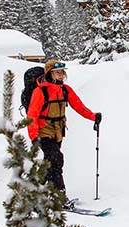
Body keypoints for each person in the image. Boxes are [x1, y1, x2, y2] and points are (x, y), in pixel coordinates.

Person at [26, 60, 101, 202]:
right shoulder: (40, 91)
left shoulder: (65, 90)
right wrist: (34, 136)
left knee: (49, 162)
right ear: (49, 73)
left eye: (62, 72)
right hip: (43, 131)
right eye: (57, 72)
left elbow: (78, 106)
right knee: (56, 160)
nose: (61, 75)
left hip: (58, 131)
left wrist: (93, 116)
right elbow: (32, 115)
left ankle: (33, 188)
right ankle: (59, 196)